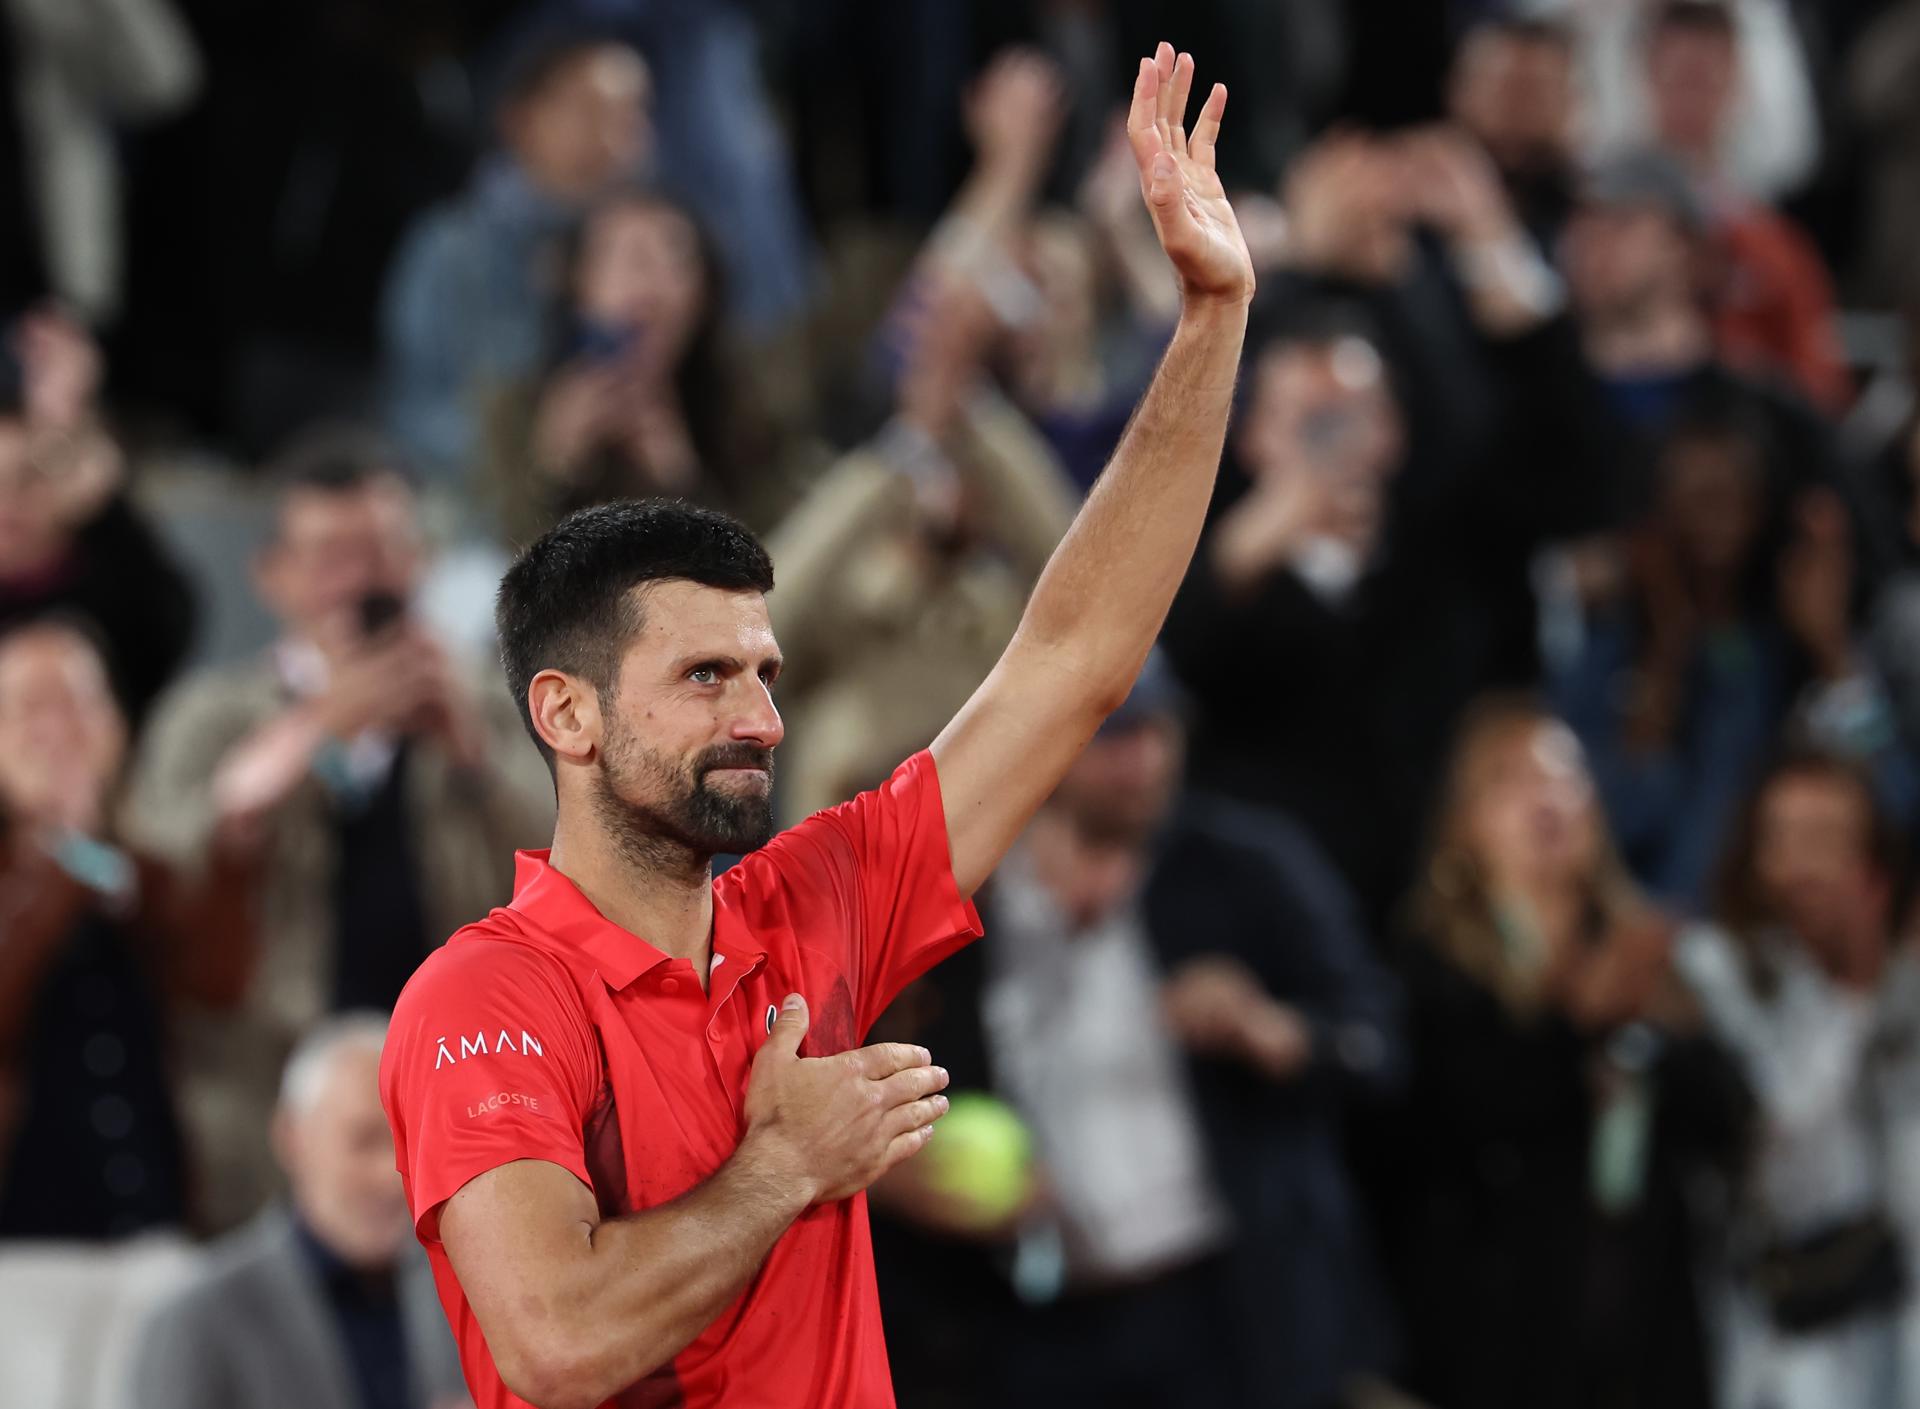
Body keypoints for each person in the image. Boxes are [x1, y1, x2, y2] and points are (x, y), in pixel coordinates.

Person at [378, 41, 1256, 1409]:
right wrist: (783, 1168)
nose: (762, 716)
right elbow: (554, 1347)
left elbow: (1072, 657)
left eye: (766, 672)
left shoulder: (816, 909)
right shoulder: (483, 999)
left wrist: (1211, 320)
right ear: (566, 712)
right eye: (706, 678)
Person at [122, 430, 553, 1231]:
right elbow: (156, 877)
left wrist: (469, 756)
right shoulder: (211, 716)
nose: (361, 581)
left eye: (384, 551)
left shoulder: (495, 710)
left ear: (421, 560)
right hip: (264, 1101)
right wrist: (314, 730)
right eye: (331, 557)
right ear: (272, 576)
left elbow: (573, 878)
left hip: (464, 1092)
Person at [964, 666, 1399, 1409]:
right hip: (1052, 1321)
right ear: (1047, 748)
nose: (1145, 761)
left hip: (1237, 1309)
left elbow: (1377, 1040)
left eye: (1158, 731)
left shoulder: (1247, 865)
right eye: (1114, 737)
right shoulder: (979, 900)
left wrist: (1272, 1029)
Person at [1382, 696, 1750, 1409]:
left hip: (1645, 1327)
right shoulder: (1428, 966)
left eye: (1564, 776)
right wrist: (1577, 1023)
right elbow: (1446, 1129)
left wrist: (1654, 1037)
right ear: (1463, 825)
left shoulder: (1645, 951)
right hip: (1499, 1341)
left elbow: (1730, 1117)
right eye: (1509, 779)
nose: (1545, 795)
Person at [0, 618, 250, 1238]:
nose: (59, 729)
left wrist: (233, 856)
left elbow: (215, 988)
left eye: (80, 703)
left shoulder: (144, 870)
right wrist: (58, 854)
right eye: (32, 707)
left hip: (155, 1213)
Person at [1675, 751, 1910, 1409]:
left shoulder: (1904, 990)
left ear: (1873, 866)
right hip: (1771, 1331)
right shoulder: (1714, 972)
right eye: (1785, 838)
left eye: (1828, 840)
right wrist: (1852, 996)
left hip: (1892, 1324)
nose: (1804, 867)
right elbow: (1781, 1136)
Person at [131, 1014, 469, 1409]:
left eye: (412, 1143)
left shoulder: (471, 1296)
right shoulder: (197, 1320)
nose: (392, 1175)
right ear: (292, 1137)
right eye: (363, 1140)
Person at [381, 27, 652, 481]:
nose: (614, 137)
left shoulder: (649, 251)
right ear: (520, 118)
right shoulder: (453, 247)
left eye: (633, 114)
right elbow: (418, 421)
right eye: (591, 110)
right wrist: (533, 451)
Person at [480, 188, 806, 547]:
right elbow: (506, 574)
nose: (651, 281)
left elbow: (782, 563)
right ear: (577, 286)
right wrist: (552, 471)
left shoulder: (743, 404)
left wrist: (683, 484)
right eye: (627, 256)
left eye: (675, 259)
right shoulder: (516, 409)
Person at [0, 308, 195, 725]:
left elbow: (167, 625)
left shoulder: (114, 587)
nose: (9, 501)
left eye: (30, 476)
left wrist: (107, 506)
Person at [1446, 16, 1581, 249]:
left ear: (1569, 101)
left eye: (1535, 90)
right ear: (1458, 93)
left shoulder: (1590, 216)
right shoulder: (1410, 198)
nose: (1517, 107)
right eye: (1503, 87)